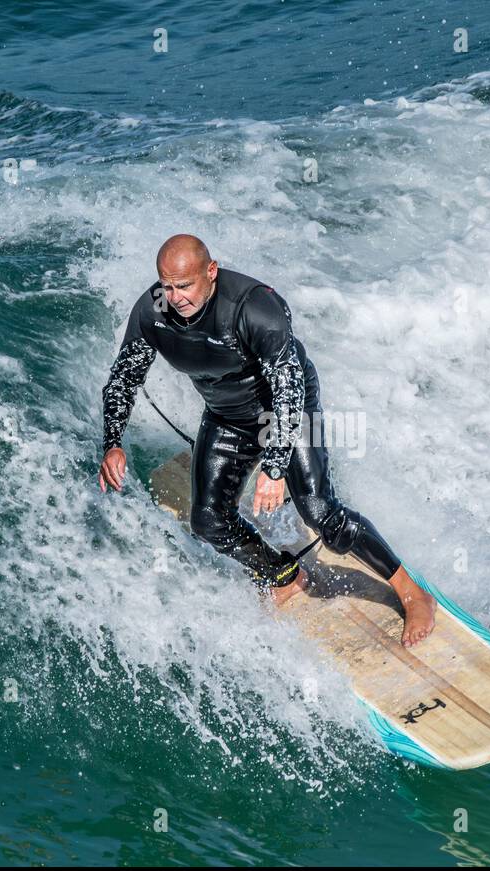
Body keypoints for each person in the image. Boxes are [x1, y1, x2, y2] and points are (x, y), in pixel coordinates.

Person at [98, 235, 436, 646]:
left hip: (289, 408)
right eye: (167, 286)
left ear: (211, 272)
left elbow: (289, 390)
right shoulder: (152, 311)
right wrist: (112, 441)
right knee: (208, 521)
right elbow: (124, 377)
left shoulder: (254, 307)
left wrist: (274, 466)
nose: (175, 297)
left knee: (319, 511)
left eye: (184, 286)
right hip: (227, 417)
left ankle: (411, 591)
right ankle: (285, 576)